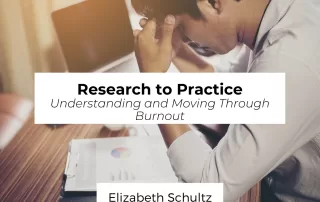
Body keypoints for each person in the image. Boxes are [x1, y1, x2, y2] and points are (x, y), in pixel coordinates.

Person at [131, 0, 320, 201]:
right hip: (272, 178)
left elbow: (207, 189)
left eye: (183, 28)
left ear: (213, 3)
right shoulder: (279, 14)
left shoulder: (291, 62)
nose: (186, 39)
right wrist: (176, 49)